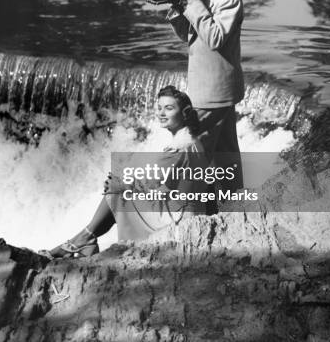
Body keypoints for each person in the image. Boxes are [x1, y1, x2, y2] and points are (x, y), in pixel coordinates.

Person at [44, 86, 211, 259]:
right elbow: (174, 188)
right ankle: (85, 239)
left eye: (169, 108)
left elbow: (152, 184)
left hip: (177, 223)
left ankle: (84, 239)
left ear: (184, 113)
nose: (161, 113)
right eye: (159, 108)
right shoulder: (193, 140)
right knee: (122, 186)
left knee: (117, 192)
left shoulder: (178, 147)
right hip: (191, 216)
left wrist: (121, 185)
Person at [165, 0, 244, 192]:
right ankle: (236, 208)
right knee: (226, 157)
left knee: (191, 161)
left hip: (213, 94)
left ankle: (186, 216)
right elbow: (189, 35)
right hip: (208, 88)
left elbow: (215, 38)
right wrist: (178, 5)